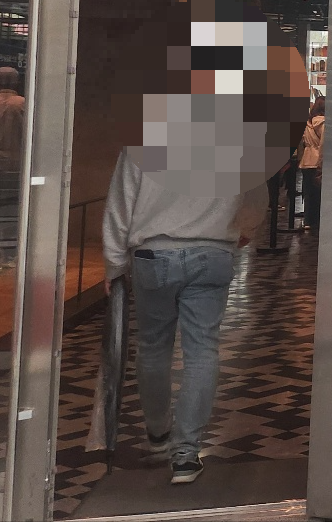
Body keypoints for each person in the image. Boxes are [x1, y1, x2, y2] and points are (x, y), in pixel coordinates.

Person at [102, 149, 268, 484]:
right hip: (213, 251)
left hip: (153, 254)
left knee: (153, 346)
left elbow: (120, 203)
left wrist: (114, 263)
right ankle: (186, 455)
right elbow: (255, 198)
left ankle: (158, 433)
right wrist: (243, 231)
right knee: (203, 350)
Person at [298, 96, 325, 231]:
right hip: (317, 161)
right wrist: (321, 163)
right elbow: (323, 145)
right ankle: (316, 221)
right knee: (318, 194)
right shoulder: (323, 123)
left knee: (308, 192)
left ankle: (308, 220)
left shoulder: (308, 123)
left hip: (306, 160)